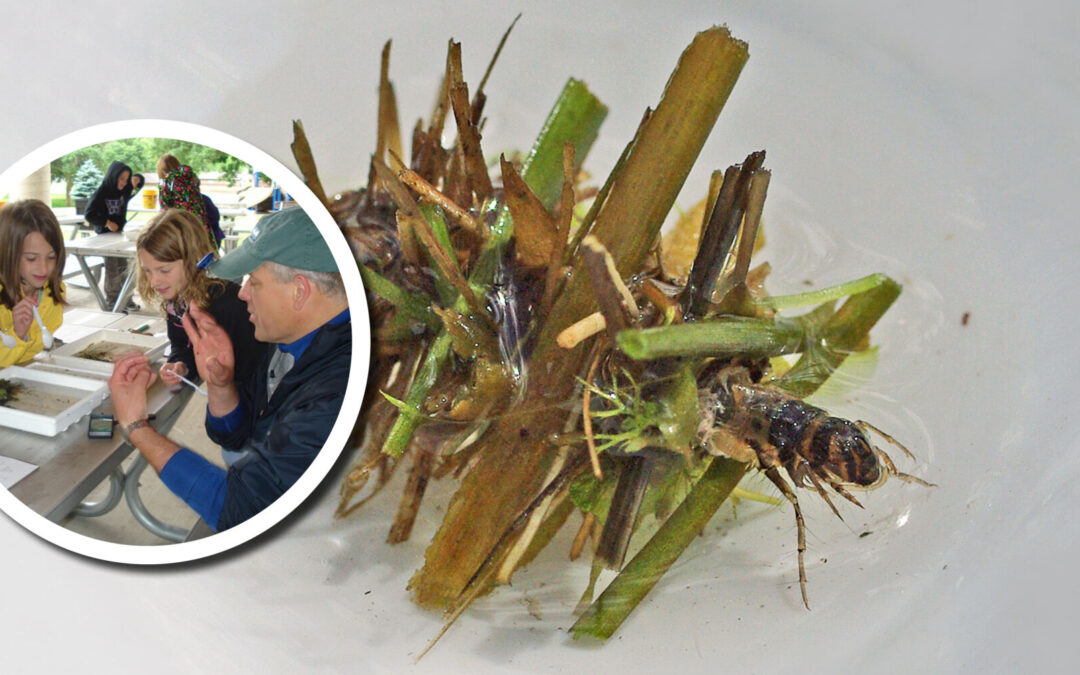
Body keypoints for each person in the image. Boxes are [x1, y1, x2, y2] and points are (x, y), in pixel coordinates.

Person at [108, 206, 350, 532]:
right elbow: (235, 433)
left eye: (255, 281)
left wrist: (135, 425)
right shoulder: (283, 341)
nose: (243, 291)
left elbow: (241, 511)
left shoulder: (333, 390)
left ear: (300, 290)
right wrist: (221, 384)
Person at [135, 208, 268, 391]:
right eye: (147, 271)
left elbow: (256, 363)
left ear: (194, 259)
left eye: (164, 270)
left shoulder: (230, 303)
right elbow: (181, 344)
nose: (153, 281)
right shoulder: (176, 301)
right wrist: (180, 365)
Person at [0, 200, 67, 367]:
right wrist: (18, 334)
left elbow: (39, 346)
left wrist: (25, 337)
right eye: (31, 258)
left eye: (51, 257)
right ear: (8, 254)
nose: (43, 268)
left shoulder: (52, 291)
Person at [84, 160, 143, 310]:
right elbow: (89, 215)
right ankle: (112, 303)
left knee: (125, 267)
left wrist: (137, 179)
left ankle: (126, 300)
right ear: (113, 176)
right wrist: (107, 222)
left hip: (119, 235)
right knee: (113, 269)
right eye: (121, 178)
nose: (124, 182)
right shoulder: (102, 192)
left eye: (126, 179)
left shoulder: (123, 189)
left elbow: (139, 182)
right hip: (105, 237)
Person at [156, 154, 222, 249]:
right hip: (203, 230)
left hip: (183, 233)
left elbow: (164, 213)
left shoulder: (165, 183)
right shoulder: (191, 178)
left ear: (161, 171)